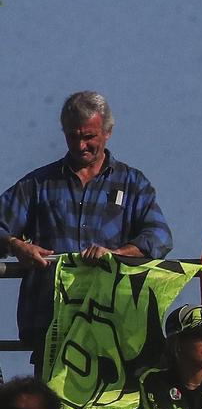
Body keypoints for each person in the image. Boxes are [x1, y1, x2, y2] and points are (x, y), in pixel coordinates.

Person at [0, 90, 173, 370]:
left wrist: (115, 254)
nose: (80, 145)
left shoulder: (132, 183)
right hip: (52, 324)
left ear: (108, 132)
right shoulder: (39, 184)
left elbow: (160, 237)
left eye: (88, 137)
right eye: (73, 136)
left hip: (111, 325)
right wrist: (17, 246)